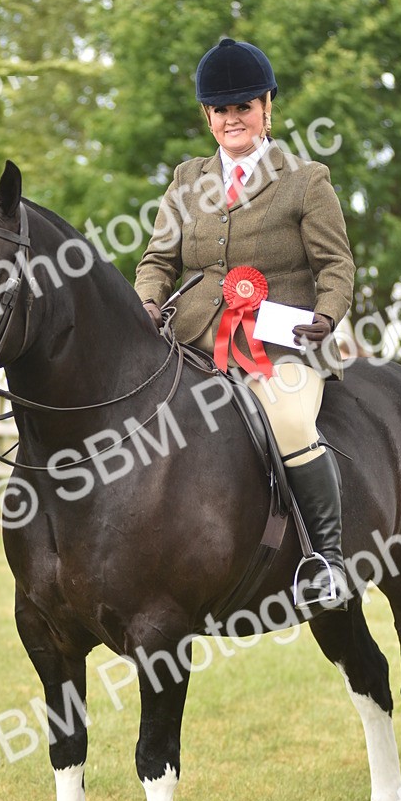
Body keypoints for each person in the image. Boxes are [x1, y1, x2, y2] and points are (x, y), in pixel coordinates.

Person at [134, 37, 355, 608]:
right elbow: (158, 260)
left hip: (282, 349)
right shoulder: (187, 181)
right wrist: (146, 303)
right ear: (207, 117)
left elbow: (336, 265)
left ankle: (325, 560)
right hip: (192, 344)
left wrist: (327, 316)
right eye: (222, 110)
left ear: (266, 109)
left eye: (244, 107)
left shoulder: (306, 180)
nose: (234, 119)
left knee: (287, 422)